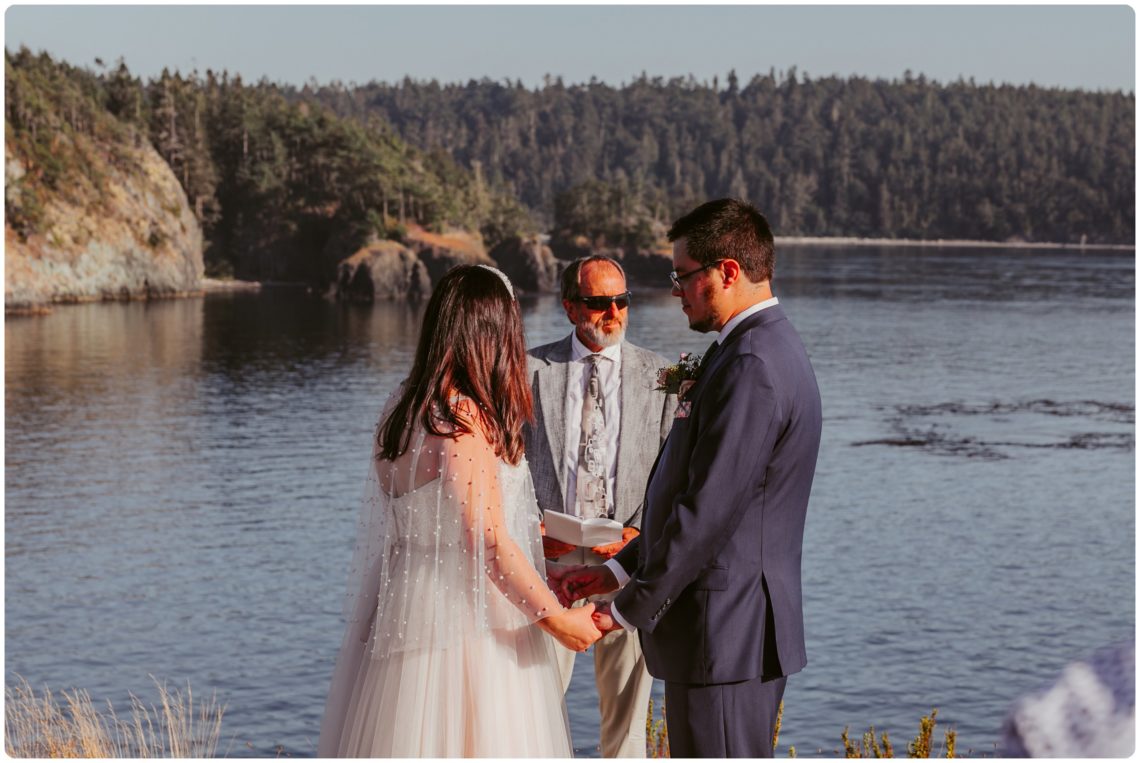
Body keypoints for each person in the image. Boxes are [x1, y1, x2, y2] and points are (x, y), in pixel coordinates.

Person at [560, 199, 823, 757]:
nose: (675, 289)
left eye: (682, 275)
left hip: (724, 634)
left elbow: (705, 516)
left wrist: (625, 609)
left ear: (727, 271)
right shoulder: (753, 350)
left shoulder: (752, 366)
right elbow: (689, 494)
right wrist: (615, 570)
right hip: (727, 635)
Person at [317, 264, 602, 757]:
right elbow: (487, 543)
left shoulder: (401, 408)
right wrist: (558, 620)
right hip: (468, 623)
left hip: (404, 609)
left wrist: (542, 562)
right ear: (490, 332)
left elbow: (442, 521)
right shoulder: (460, 418)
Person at [525, 256, 674, 758]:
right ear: (570, 307)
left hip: (627, 565)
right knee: (533, 706)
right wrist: (533, 532)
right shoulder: (527, 370)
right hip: (547, 565)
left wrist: (637, 539)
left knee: (628, 723)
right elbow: (506, 466)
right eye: (598, 302)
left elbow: (672, 474)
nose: (613, 312)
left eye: (621, 301)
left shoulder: (663, 377)